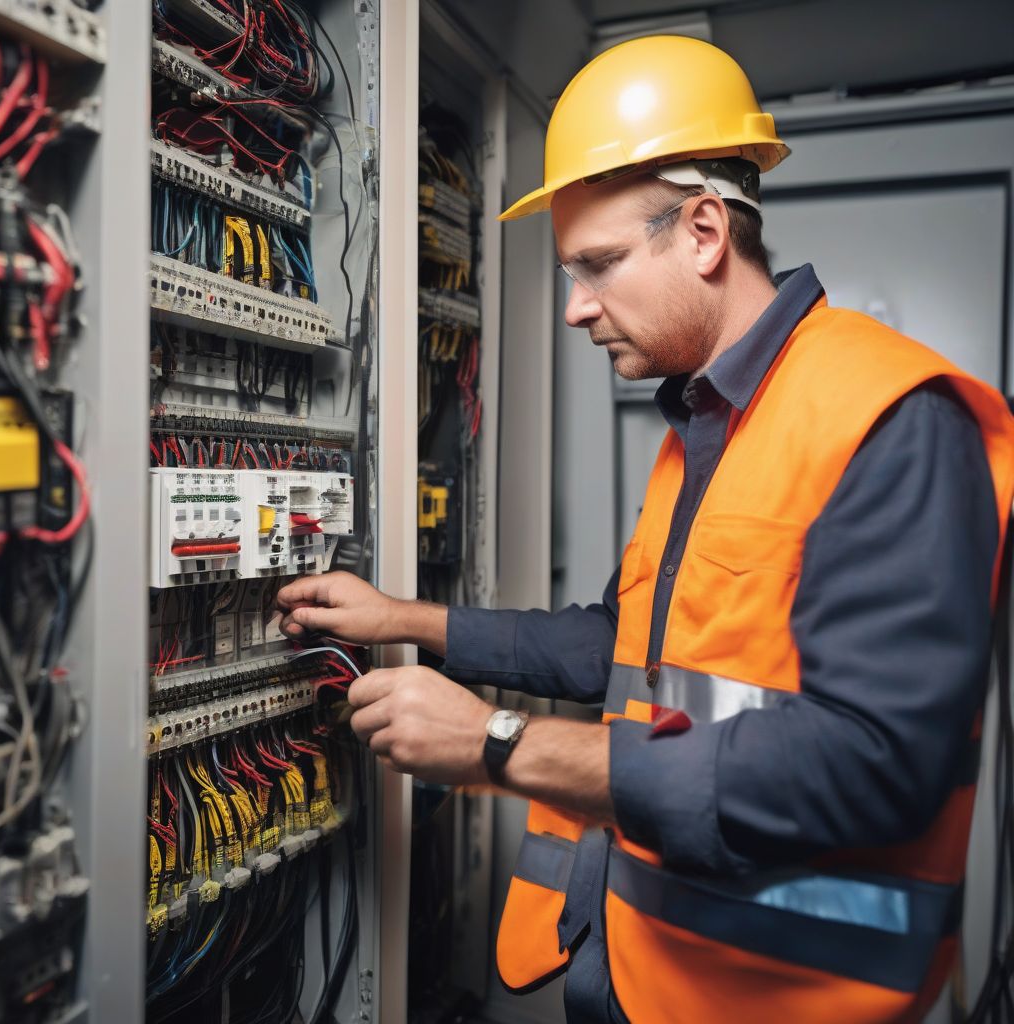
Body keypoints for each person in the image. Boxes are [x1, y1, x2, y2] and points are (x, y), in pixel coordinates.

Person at [278, 35, 1014, 1024]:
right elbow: (626, 646)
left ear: (704, 229)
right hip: (648, 972)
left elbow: (872, 763)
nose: (577, 307)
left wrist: (496, 741)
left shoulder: (889, 418)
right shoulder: (708, 423)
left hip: (785, 999)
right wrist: (402, 617)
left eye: (599, 264)